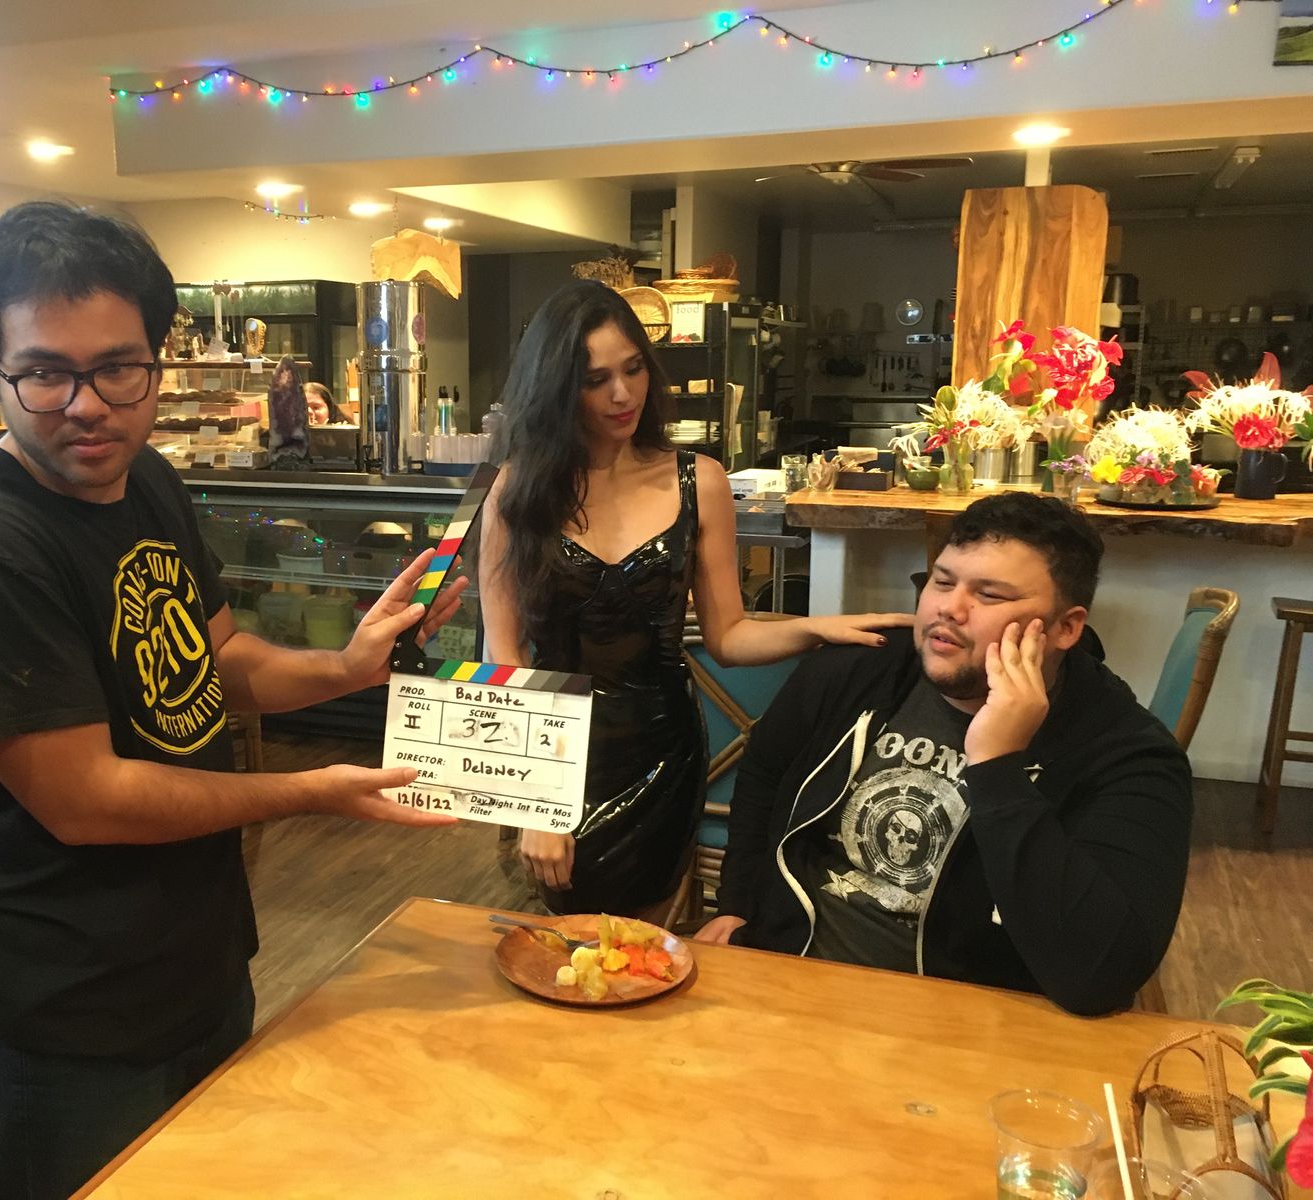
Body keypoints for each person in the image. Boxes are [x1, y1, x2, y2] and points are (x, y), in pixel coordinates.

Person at [0, 201, 467, 1200]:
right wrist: (311, 791)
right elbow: (88, 801)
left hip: (194, 954)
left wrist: (344, 669)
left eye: (118, 367)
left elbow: (218, 655)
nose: (87, 406)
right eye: (44, 373)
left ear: (157, 363)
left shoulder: (147, 479)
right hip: (63, 1004)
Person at [477, 280, 909, 922]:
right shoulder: (515, 491)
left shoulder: (698, 481)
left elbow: (728, 636)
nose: (623, 394)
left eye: (633, 369)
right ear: (557, 388)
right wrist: (535, 802)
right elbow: (504, 654)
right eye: (596, 380)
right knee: (567, 935)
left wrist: (819, 628)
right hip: (557, 749)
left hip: (663, 750)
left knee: (642, 939)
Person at [696, 493, 1192, 1016]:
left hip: (970, 1025)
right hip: (790, 980)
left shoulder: (1124, 753)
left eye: (990, 595)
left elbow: (1100, 977)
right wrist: (737, 904)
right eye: (942, 581)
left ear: (1065, 627)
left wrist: (998, 768)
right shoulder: (858, 669)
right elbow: (765, 772)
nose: (949, 609)